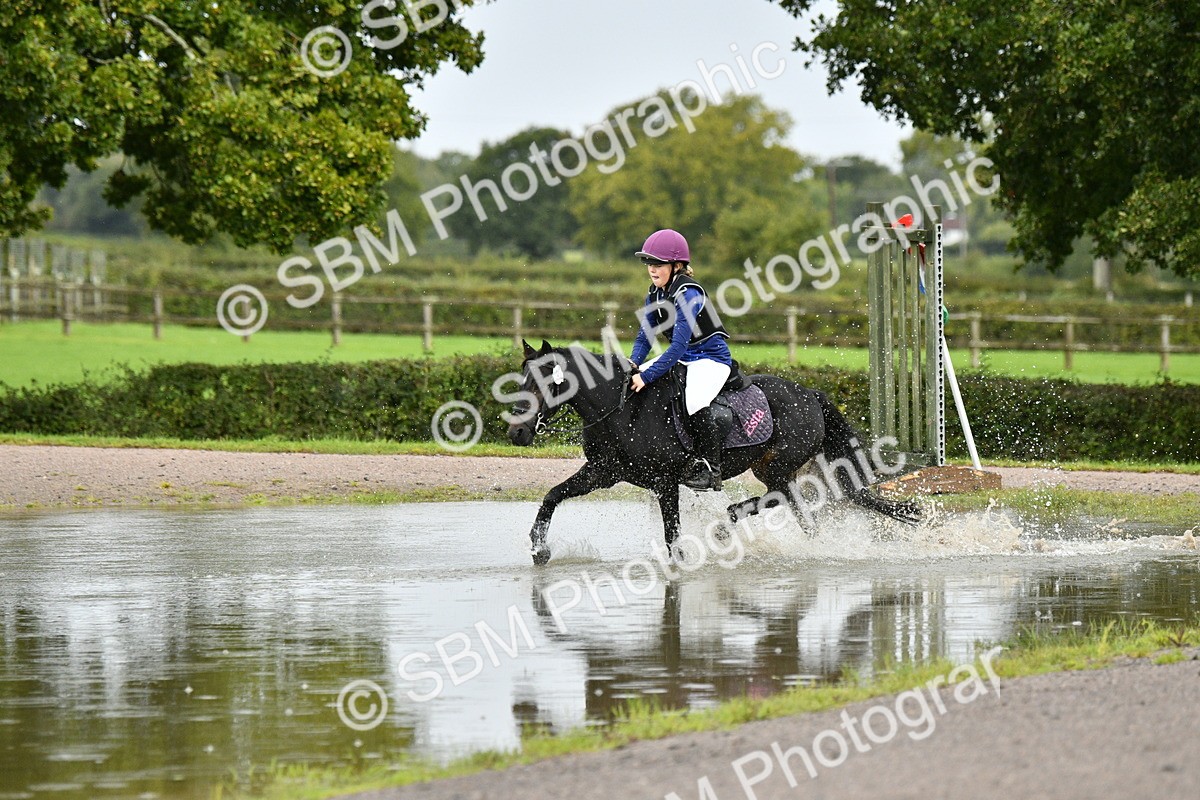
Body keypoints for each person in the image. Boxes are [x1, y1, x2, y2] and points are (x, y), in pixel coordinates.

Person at [628, 228, 733, 491]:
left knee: (695, 401)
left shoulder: (689, 293)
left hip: (710, 360)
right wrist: (632, 366)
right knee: (629, 381)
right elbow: (644, 339)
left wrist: (647, 375)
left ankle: (711, 469)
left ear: (676, 265)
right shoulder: (654, 293)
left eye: (658, 264)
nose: (652, 269)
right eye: (649, 263)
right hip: (684, 357)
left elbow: (676, 347)